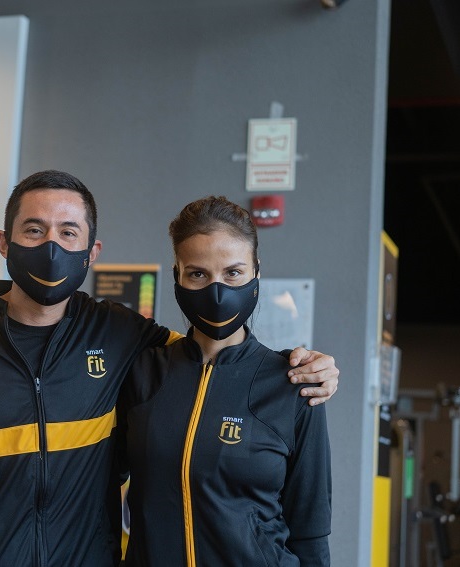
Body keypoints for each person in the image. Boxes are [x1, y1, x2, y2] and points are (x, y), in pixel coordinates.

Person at [0, 170, 338, 566]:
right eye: (34, 230)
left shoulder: (120, 334)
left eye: (68, 233)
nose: (52, 246)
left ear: (92, 253)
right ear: (5, 242)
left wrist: (306, 366)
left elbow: (211, 358)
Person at [118, 196, 331, 566]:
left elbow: (310, 530)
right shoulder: (141, 372)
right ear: (177, 276)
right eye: (198, 274)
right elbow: (95, 482)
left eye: (233, 273)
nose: (217, 291)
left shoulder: (294, 384)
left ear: (256, 273)